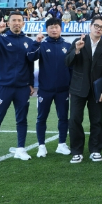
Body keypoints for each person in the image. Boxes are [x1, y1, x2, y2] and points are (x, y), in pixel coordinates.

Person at [0, 11, 37, 165]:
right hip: (4, 87)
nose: (17, 23)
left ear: (23, 23)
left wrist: (31, 83)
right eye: (14, 20)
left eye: (20, 20)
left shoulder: (28, 41)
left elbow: (30, 64)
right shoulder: (0, 39)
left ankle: (21, 149)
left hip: (22, 88)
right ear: (8, 23)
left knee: (22, 120)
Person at [65, 16, 102, 163]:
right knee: (74, 119)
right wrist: (76, 50)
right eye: (96, 26)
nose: (98, 29)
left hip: (97, 90)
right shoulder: (78, 42)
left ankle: (95, 150)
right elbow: (67, 62)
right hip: (77, 88)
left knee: (97, 120)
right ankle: (77, 151)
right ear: (90, 26)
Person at [27, 18, 72, 158]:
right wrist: (36, 42)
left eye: (56, 27)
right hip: (45, 89)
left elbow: (72, 67)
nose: (54, 29)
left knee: (63, 117)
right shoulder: (42, 44)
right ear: (47, 30)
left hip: (63, 89)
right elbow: (30, 57)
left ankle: (62, 144)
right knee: (41, 118)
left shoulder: (68, 45)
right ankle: (41, 146)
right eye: (51, 27)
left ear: (61, 28)